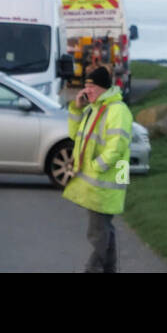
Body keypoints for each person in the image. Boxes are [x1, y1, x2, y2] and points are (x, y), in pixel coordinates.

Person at [63, 65, 133, 273]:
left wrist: (97, 166)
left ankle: (92, 269)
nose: (87, 91)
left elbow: (117, 145)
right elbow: (74, 135)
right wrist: (76, 108)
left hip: (106, 180)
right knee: (104, 229)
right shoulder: (93, 108)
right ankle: (109, 269)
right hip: (98, 181)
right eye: (86, 87)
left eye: (91, 87)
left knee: (98, 231)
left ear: (103, 88)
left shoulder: (117, 110)